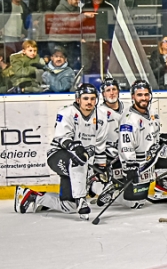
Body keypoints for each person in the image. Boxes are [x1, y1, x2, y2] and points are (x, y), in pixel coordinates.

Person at [15, 84, 106, 218]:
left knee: (69, 206)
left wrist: (101, 167)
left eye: (92, 98)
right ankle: (81, 200)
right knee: (78, 158)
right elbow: (63, 138)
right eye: (85, 98)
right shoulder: (66, 112)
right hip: (57, 155)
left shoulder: (101, 116)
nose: (89, 102)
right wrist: (75, 147)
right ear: (78, 99)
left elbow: (100, 145)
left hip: (82, 161)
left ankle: (32, 197)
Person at [116, 80, 163, 208]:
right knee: (135, 202)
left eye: (146, 94)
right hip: (139, 163)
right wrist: (130, 165)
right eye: (140, 95)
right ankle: (113, 192)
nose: (144, 98)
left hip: (152, 158)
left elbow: (153, 135)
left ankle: (164, 188)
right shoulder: (128, 119)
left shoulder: (153, 113)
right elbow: (126, 146)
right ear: (133, 96)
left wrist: (162, 140)